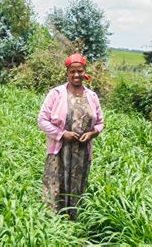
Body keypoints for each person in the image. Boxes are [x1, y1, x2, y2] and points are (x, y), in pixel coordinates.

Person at [37, 53, 104, 219]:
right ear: (67, 72)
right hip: (60, 151)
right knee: (56, 186)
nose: (76, 75)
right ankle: (52, 223)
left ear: (84, 72)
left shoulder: (92, 96)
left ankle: (74, 221)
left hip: (81, 153)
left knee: (77, 188)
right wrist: (62, 134)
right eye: (72, 71)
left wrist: (92, 133)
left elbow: (100, 123)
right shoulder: (56, 94)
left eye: (79, 71)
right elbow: (42, 120)